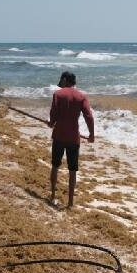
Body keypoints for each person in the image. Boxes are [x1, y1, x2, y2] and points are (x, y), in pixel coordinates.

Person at [47, 71, 95, 208]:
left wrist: (51, 123)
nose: (60, 83)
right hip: (73, 137)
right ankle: (70, 203)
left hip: (59, 136)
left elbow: (53, 115)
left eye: (61, 80)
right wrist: (92, 134)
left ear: (64, 79)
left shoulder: (58, 94)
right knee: (72, 170)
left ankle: (52, 196)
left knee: (55, 166)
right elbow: (89, 117)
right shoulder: (81, 96)